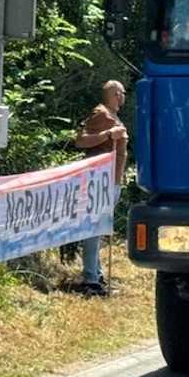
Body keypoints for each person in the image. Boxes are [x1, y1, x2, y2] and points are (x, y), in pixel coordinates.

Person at [74, 80, 127, 297]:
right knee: (93, 229)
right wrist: (108, 135)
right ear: (117, 95)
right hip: (99, 182)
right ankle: (91, 279)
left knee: (99, 228)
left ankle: (97, 273)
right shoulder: (101, 114)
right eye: (123, 93)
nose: (124, 97)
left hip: (111, 181)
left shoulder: (111, 115)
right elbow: (81, 141)